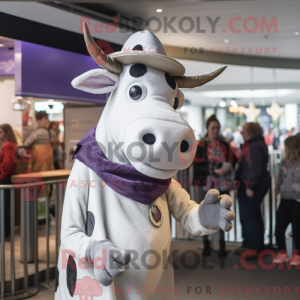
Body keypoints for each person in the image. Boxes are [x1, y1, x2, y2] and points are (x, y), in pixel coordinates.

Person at [194, 115, 235, 256]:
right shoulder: (201, 146)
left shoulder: (225, 145)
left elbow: (233, 161)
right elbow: (197, 167)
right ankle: (206, 244)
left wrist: (228, 168)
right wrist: (213, 170)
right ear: (207, 129)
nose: (215, 130)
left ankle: (222, 246)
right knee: (204, 213)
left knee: (223, 213)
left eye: (217, 128)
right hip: (205, 184)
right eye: (213, 128)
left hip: (222, 185)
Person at [235, 122, 271, 259]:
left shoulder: (254, 146)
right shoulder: (254, 144)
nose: (242, 133)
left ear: (250, 132)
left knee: (249, 217)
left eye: (244, 130)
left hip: (253, 186)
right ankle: (249, 244)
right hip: (250, 185)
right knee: (251, 216)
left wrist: (251, 186)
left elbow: (256, 168)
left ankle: (255, 248)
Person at [273, 136, 300, 266]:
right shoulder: (284, 161)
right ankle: (282, 253)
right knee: (279, 228)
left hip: (297, 200)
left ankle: (297, 254)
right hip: (285, 198)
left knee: (297, 230)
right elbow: (279, 178)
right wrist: (277, 188)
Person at [0, 124, 18, 235]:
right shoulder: (11, 145)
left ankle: (6, 229)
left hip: (4, 179)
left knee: (4, 205)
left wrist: (1, 176)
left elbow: (7, 165)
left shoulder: (7, 145)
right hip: (6, 178)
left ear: (7, 133)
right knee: (6, 204)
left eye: (1, 132)